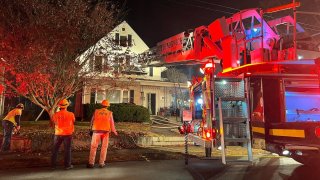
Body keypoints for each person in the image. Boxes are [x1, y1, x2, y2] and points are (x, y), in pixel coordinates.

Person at [87, 100, 118, 168]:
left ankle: (91, 163)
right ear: (107, 106)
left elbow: (92, 121)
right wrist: (114, 131)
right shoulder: (109, 113)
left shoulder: (96, 111)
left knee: (93, 147)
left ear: (102, 105)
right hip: (105, 132)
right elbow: (112, 124)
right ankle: (101, 163)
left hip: (96, 131)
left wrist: (90, 128)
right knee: (104, 147)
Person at [51, 99, 75, 170]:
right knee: (67, 150)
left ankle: (53, 165)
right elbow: (73, 121)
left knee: (55, 149)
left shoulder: (55, 114)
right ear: (67, 106)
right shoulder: (71, 114)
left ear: (59, 106)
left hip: (58, 134)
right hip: (68, 134)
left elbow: (54, 122)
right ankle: (67, 165)